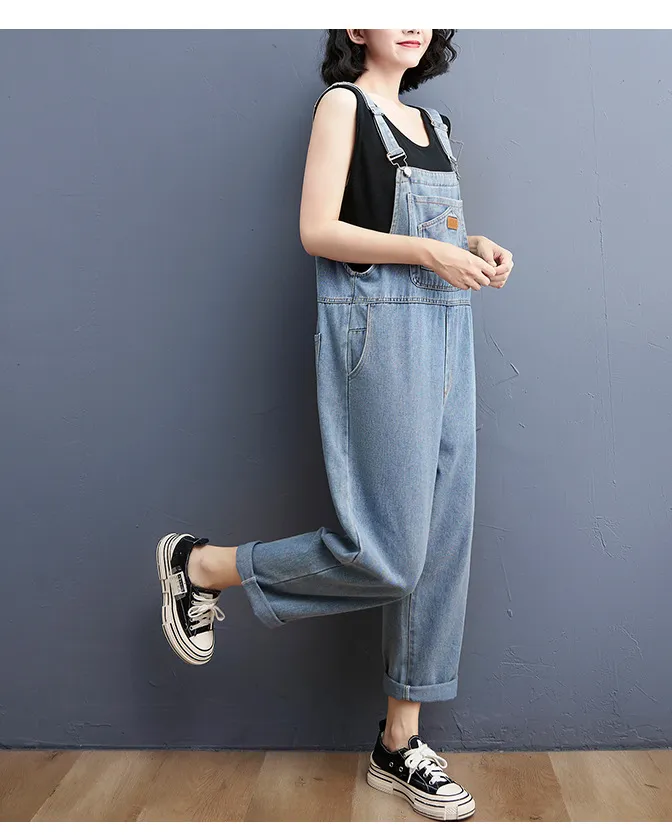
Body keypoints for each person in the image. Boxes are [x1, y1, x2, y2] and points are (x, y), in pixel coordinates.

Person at [156, 29, 513, 822]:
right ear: (356, 26)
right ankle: (204, 566)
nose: (411, 21)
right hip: (379, 336)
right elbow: (318, 230)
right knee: (390, 554)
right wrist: (431, 253)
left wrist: (470, 247)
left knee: (442, 544)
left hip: (448, 332)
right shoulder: (342, 107)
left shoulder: (433, 124)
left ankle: (399, 742)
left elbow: (426, 236)